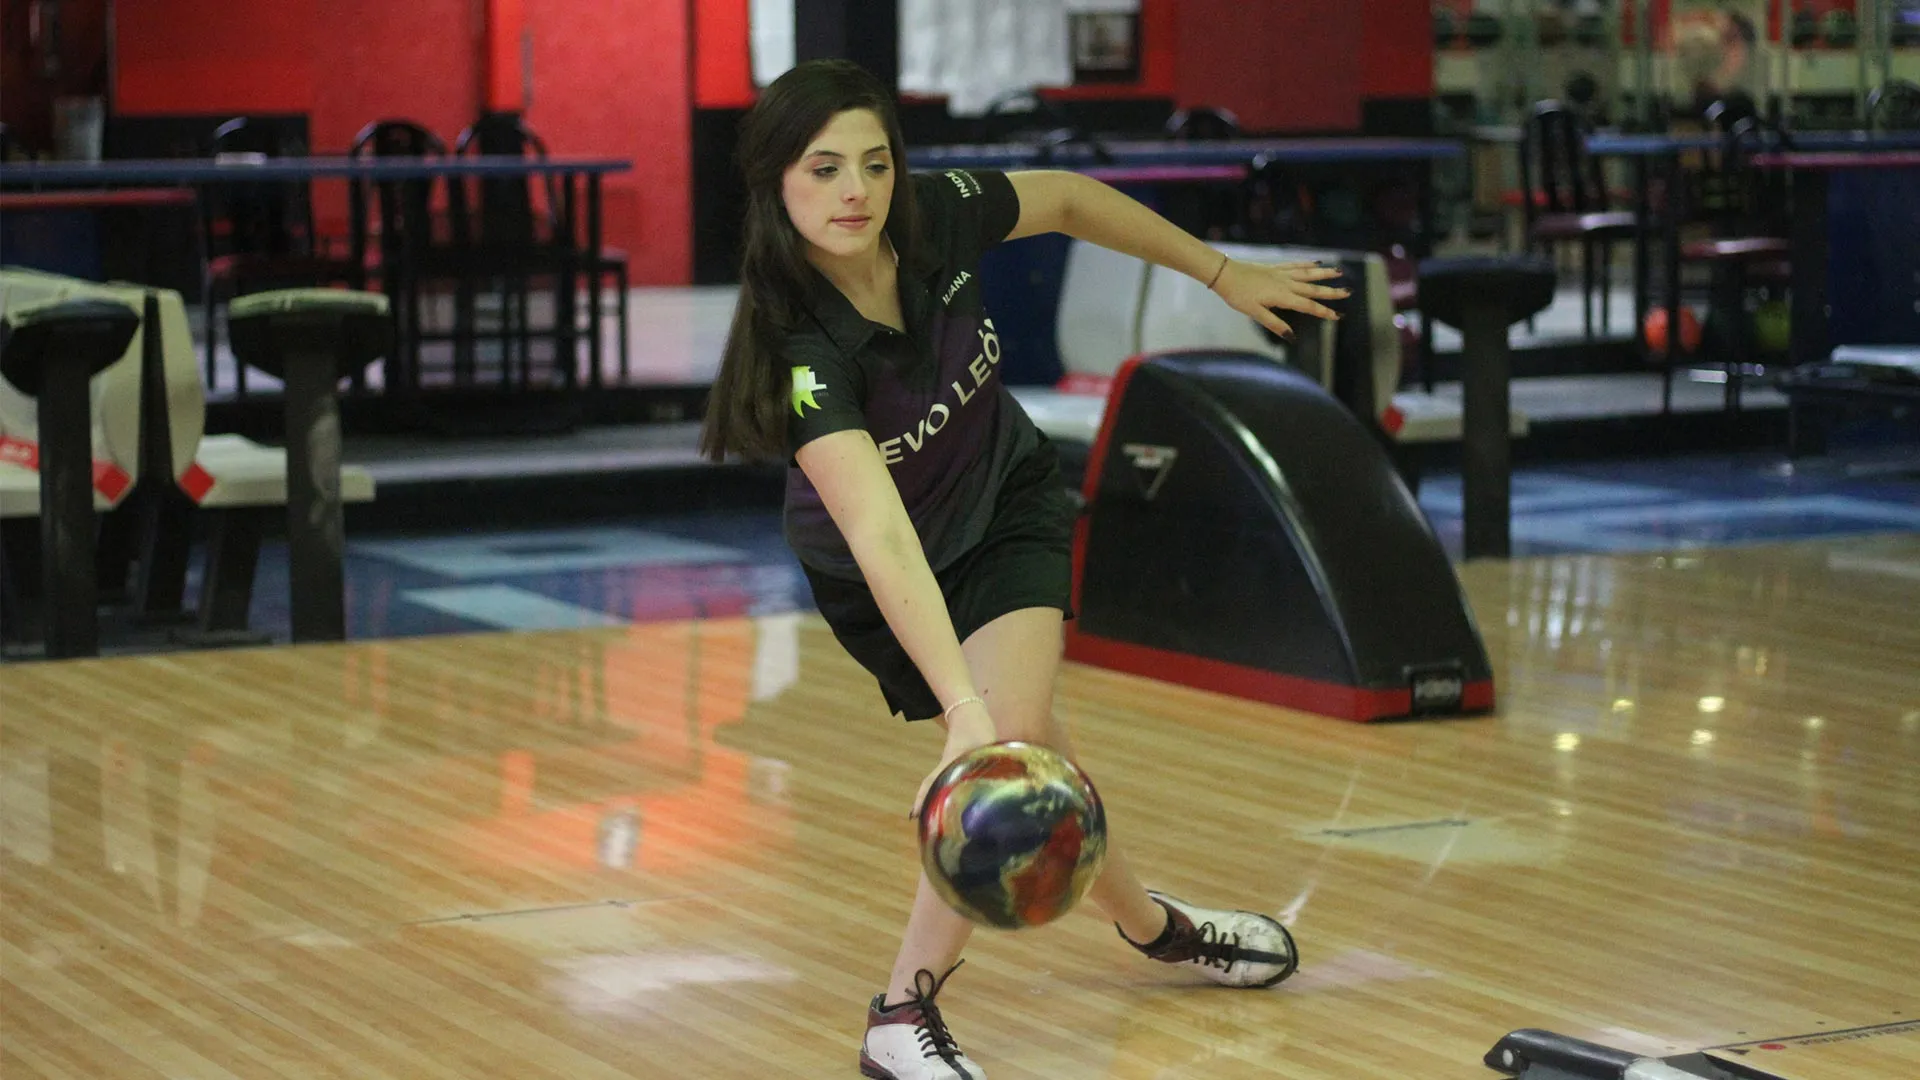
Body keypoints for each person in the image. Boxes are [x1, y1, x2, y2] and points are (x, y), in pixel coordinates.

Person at [700, 59, 1348, 1080]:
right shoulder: (803, 352)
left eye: (872, 163)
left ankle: (899, 1012)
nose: (855, 192)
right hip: (884, 567)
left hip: (1007, 503)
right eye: (822, 171)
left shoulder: (931, 217)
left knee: (1015, 744)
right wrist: (955, 700)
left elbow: (1070, 200)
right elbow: (879, 536)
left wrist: (1222, 274)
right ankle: (1152, 928)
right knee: (1018, 737)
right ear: (775, 183)